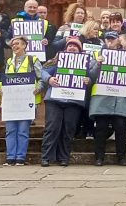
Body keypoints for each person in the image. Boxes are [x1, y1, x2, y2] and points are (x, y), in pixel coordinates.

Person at [88, 31, 126, 166]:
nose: (109, 42)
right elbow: (90, 75)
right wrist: (98, 64)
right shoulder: (97, 55)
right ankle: (99, 157)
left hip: (120, 97)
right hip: (102, 97)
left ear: (118, 41)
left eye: (112, 39)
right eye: (107, 39)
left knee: (121, 127)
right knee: (101, 128)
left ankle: (121, 157)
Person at [40, 37, 88, 166]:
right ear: (65, 48)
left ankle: (63, 157)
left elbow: (92, 75)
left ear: (80, 50)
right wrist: (49, 79)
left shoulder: (86, 63)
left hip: (74, 101)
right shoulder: (56, 61)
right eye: (70, 46)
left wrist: (88, 79)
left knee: (68, 129)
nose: (72, 48)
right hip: (54, 99)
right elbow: (42, 71)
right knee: (52, 128)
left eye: (75, 46)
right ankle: (46, 156)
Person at [2, 36, 43, 166]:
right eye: (13, 44)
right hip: (11, 101)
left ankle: (20, 157)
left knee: (23, 130)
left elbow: (41, 78)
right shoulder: (9, 61)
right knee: (10, 130)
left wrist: (38, 87)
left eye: (17, 44)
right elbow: (6, 80)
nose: (14, 46)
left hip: (27, 101)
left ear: (24, 45)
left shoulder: (33, 60)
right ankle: (10, 157)